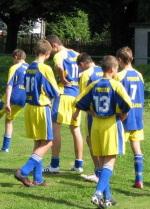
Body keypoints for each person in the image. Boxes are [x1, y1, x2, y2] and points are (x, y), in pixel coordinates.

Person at [74, 55, 133, 209]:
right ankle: (98, 193)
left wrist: (92, 112)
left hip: (96, 124)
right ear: (113, 69)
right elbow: (128, 104)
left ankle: (108, 198)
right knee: (110, 159)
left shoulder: (94, 84)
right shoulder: (116, 85)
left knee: (101, 161)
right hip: (110, 124)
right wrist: (122, 115)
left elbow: (78, 102)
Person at [14, 40, 61, 187]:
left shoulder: (29, 67)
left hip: (30, 107)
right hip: (41, 107)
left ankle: (38, 178)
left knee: (39, 142)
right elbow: (54, 91)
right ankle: (24, 171)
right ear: (47, 53)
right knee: (48, 142)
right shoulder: (44, 68)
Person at [43, 35, 85, 173]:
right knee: (76, 130)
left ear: (54, 45)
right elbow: (85, 70)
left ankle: (55, 164)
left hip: (63, 94)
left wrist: (61, 78)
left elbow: (60, 67)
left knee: (56, 128)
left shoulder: (59, 55)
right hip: (76, 95)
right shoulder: (76, 54)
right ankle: (78, 164)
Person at [114, 46, 146, 189]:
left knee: (112, 149)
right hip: (137, 117)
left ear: (119, 60)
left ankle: (102, 176)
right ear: (131, 58)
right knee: (136, 147)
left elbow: (116, 97)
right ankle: (139, 179)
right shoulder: (139, 75)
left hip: (124, 117)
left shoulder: (119, 76)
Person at [75, 53, 104, 183]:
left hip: (92, 112)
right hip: (106, 111)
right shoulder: (103, 69)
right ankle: (102, 171)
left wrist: (76, 112)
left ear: (82, 64)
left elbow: (82, 97)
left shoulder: (87, 74)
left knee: (91, 141)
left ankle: (98, 172)